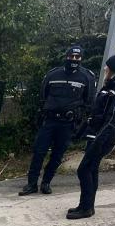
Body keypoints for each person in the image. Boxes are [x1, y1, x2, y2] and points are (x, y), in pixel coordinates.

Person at [67, 53, 115, 219]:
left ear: (113, 69)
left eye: (108, 66)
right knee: (91, 169)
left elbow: (114, 118)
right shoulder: (113, 83)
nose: (105, 68)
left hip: (104, 136)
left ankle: (86, 208)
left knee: (83, 169)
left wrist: (100, 139)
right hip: (97, 134)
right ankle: (87, 206)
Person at [20, 45, 96, 196]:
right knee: (39, 152)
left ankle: (46, 183)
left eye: (77, 57)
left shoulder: (87, 77)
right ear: (66, 56)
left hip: (68, 124)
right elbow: (43, 96)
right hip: (49, 121)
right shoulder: (53, 74)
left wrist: (79, 119)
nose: (74, 59)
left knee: (57, 155)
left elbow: (88, 101)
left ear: (81, 59)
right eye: (71, 57)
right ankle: (31, 184)